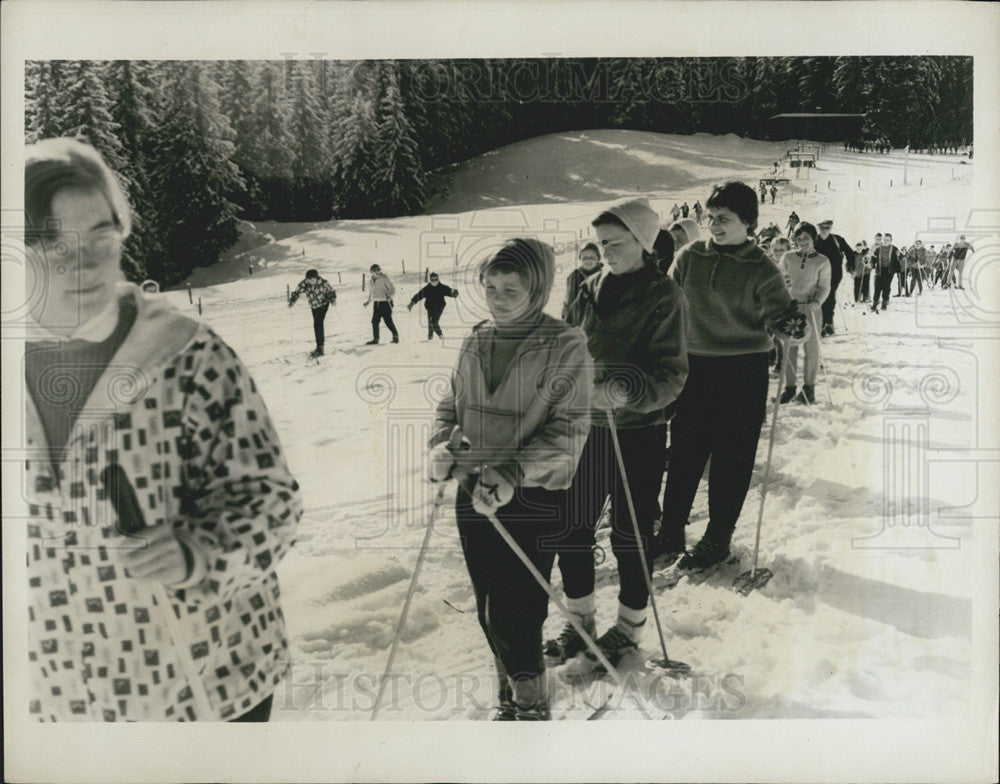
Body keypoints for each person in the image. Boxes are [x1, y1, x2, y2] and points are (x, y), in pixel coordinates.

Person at [22, 137, 302, 722]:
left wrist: (196, 554)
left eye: (102, 236)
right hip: (59, 708)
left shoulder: (184, 354)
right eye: (53, 247)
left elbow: (270, 502)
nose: (88, 264)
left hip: (210, 688)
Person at [429, 238, 592, 720]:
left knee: (515, 610)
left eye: (510, 289)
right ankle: (513, 686)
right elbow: (449, 404)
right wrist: (443, 443)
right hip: (474, 491)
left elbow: (570, 428)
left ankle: (531, 702)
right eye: (490, 286)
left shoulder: (565, 343)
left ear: (537, 287)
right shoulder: (478, 337)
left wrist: (514, 472)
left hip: (533, 496)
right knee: (486, 608)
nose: (496, 298)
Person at [547, 197, 689, 671]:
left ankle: (628, 629)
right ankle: (582, 621)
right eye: (600, 241)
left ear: (644, 242)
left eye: (615, 241)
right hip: (586, 428)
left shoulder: (663, 295)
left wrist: (625, 390)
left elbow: (671, 374)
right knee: (572, 526)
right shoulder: (585, 287)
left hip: (638, 432)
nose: (604, 249)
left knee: (630, 534)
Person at [653, 181, 804, 570]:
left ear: (749, 223)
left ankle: (717, 539)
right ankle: (670, 532)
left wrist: (792, 325)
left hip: (742, 372)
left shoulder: (763, 268)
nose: (714, 225)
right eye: (710, 217)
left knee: (730, 460)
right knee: (685, 454)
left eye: (724, 219)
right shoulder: (689, 257)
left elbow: (782, 319)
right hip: (695, 368)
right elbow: (669, 304)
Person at [778, 223, 831, 405]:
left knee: (811, 349)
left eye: (806, 238)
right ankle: (789, 389)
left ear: (813, 238)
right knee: (789, 349)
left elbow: (824, 286)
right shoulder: (788, 257)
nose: (802, 242)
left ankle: (809, 390)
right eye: (799, 239)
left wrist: (816, 302)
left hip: (811, 308)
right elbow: (778, 280)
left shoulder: (822, 260)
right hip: (790, 308)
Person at [814, 219, 854, 336]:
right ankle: (822, 323)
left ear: (831, 228)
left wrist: (850, 265)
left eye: (827, 228)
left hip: (835, 273)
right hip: (818, 273)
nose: (824, 230)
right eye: (822, 227)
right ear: (819, 228)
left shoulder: (837, 240)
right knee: (820, 296)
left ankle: (828, 323)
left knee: (830, 295)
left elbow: (849, 252)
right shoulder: (814, 240)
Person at [289, 268, 338, 357]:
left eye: (312, 280)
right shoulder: (304, 283)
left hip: (323, 304)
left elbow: (331, 291)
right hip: (314, 306)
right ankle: (318, 347)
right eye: (309, 280)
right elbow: (297, 292)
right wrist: (292, 301)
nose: (311, 282)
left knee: (318, 323)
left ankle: (320, 348)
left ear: (316, 278)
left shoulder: (323, 282)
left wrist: (333, 300)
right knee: (316, 324)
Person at [407, 271, 459, 340]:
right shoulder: (427, 289)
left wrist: (454, 293)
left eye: (435, 279)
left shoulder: (442, 287)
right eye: (432, 279)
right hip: (430, 307)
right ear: (430, 280)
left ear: (438, 279)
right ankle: (430, 336)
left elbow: (450, 292)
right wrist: (411, 304)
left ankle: (440, 335)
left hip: (439, 307)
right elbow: (418, 296)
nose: (434, 281)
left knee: (433, 321)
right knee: (431, 322)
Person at [561, 242, 602, 320]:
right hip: (577, 319)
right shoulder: (574, 276)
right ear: (580, 259)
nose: (588, 261)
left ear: (598, 258)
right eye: (585, 258)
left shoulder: (603, 275)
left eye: (592, 258)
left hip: (596, 320)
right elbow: (569, 298)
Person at [363, 263, 399, 344]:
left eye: (378, 269)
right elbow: (371, 293)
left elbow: (392, 289)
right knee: (374, 321)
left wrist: (390, 296)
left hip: (386, 303)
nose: (377, 272)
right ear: (371, 271)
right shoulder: (370, 281)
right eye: (375, 270)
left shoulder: (384, 278)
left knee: (388, 321)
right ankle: (376, 339)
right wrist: (368, 302)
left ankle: (395, 336)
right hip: (376, 303)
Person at [870, 233, 900, 313]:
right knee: (877, 286)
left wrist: (899, 266)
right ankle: (875, 303)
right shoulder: (878, 249)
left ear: (891, 240)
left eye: (888, 240)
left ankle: (884, 303)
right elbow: (874, 258)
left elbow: (899, 258)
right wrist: (871, 263)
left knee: (886, 287)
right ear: (882, 240)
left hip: (890, 271)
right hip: (880, 270)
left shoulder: (894, 249)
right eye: (884, 239)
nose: (886, 241)